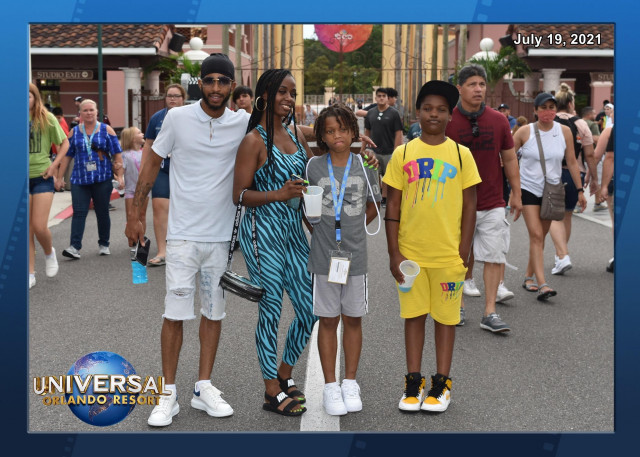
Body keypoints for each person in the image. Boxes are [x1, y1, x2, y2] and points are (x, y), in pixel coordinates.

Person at [126, 54, 245, 427]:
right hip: (180, 237)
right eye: (208, 81)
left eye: (222, 82)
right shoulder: (177, 118)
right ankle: (169, 393)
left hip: (221, 237)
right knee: (174, 313)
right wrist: (135, 214)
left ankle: (203, 387)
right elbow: (150, 162)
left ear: (231, 85)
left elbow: (285, 135)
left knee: (213, 311)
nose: (214, 88)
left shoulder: (242, 123)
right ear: (200, 84)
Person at [384, 80, 480, 413]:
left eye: (441, 109)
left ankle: (441, 384)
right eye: (427, 108)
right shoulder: (404, 153)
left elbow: (471, 206)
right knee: (414, 317)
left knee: (445, 319)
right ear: (418, 113)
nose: (434, 114)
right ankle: (414, 382)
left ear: (450, 115)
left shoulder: (460, 154)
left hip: (447, 255)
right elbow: (392, 207)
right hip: (411, 256)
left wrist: (464, 251)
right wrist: (394, 253)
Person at [232, 69, 317, 417]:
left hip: (295, 232)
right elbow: (238, 195)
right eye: (282, 91)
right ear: (265, 94)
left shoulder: (297, 135)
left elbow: (316, 174)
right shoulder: (254, 140)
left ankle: (285, 374)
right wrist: (280, 194)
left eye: (293, 93)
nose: (288, 98)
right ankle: (270, 389)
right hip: (261, 231)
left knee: (309, 307)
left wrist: (359, 153)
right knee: (270, 309)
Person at [306, 103, 381, 416]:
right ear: (322, 136)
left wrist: (349, 231)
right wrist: (326, 232)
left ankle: (350, 381)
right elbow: (309, 213)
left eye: (343, 129)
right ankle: (330, 385)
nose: (337, 135)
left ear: (354, 131)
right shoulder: (313, 167)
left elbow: (374, 204)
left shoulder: (366, 164)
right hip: (324, 258)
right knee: (328, 320)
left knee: (353, 319)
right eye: (330, 131)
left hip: (355, 258)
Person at [446, 64, 522, 333]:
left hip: (492, 201)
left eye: (481, 84)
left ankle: (489, 312)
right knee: (458, 258)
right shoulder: (447, 120)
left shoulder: (499, 120)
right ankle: (458, 306)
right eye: (472, 84)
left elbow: (509, 157)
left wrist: (516, 192)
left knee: (493, 256)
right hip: (455, 203)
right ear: (460, 89)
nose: (478, 89)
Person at [513, 92, 586, 301]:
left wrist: (580, 190)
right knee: (536, 235)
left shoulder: (564, 131)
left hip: (552, 190)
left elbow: (572, 161)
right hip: (528, 189)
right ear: (535, 111)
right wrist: (513, 192)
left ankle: (528, 277)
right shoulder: (524, 132)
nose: (548, 112)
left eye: (551, 107)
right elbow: (508, 157)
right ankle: (543, 284)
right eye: (543, 108)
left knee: (540, 237)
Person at [56, 99, 123, 259]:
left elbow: (117, 154)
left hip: (102, 178)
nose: (88, 113)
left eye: (91, 110)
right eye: (85, 110)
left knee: (102, 212)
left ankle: (104, 243)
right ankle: (74, 247)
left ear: (97, 111)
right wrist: (59, 177)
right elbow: (67, 156)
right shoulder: (74, 132)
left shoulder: (107, 130)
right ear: (80, 113)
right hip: (80, 179)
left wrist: (120, 176)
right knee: (79, 212)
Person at [548, 83, 599, 275]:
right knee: (567, 214)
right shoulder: (581, 123)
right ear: (570, 103)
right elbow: (590, 155)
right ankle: (560, 255)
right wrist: (593, 178)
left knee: (553, 215)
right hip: (576, 173)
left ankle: (562, 255)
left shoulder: (549, 121)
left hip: (553, 172)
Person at [28, 83, 69, 289]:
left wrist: (54, 166)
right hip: (18, 181)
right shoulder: (9, 117)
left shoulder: (46, 118)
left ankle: (48, 252)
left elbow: (65, 144)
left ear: (35, 97)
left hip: (42, 177)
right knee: (26, 230)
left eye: (28, 96)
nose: (25, 100)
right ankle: (30, 272)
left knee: (39, 226)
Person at [143, 83, 186, 267]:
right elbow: (148, 144)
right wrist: (143, 170)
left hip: (185, 170)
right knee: (159, 206)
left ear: (183, 99)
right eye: (169, 95)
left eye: (176, 96)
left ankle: (185, 250)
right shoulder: (157, 118)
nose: (172, 99)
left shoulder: (191, 116)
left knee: (184, 209)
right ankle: (163, 251)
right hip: (162, 168)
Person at [364, 87, 404, 205]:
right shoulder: (371, 113)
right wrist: (364, 148)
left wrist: (396, 151)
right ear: (375, 98)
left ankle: (385, 198)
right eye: (379, 96)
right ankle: (377, 196)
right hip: (374, 151)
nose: (381, 98)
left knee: (388, 176)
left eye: (384, 96)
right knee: (374, 175)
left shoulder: (394, 113)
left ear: (387, 98)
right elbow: (367, 132)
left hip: (389, 151)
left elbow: (398, 133)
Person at [120, 127, 148, 234]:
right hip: (130, 190)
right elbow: (120, 172)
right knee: (131, 216)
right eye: (139, 133)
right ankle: (133, 241)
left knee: (142, 215)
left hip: (144, 189)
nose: (142, 134)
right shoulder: (125, 155)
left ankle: (141, 242)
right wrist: (119, 179)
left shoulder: (145, 152)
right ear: (132, 139)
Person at [595, 125, 614, 272]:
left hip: (623, 180)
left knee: (618, 221)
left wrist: (604, 185)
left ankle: (620, 255)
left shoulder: (614, 129)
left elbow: (609, 156)